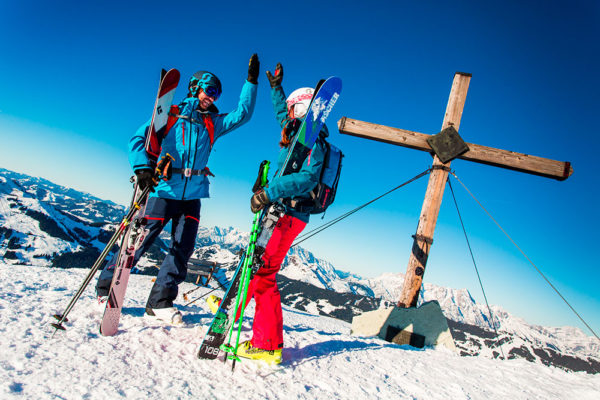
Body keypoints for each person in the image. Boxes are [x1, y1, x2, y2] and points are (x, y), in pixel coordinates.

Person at [96, 54, 260, 324]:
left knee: (182, 248)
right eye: (210, 91)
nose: (214, 98)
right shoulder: (169, 115)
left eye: (217, 94)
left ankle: (160, 302)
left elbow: (243, 115)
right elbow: (138, 139)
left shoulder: (212, 123)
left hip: (193, 195)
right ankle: (106, 288)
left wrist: (251, 82)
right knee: (138, 242)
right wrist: (142, 169)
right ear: (195, 88)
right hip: (163, 190)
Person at [208, 62, 328, 364]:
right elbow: (280, 115)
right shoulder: (297, 133)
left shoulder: (314, 142)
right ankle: (233, 308)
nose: (285, 114)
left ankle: (268, 344)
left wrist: (269, 192)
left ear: (301, 109)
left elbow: (308, 178)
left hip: (289, 214)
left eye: (291, 108)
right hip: (278, 211)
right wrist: (276, 89)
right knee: (254, 260)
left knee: (263, 273)